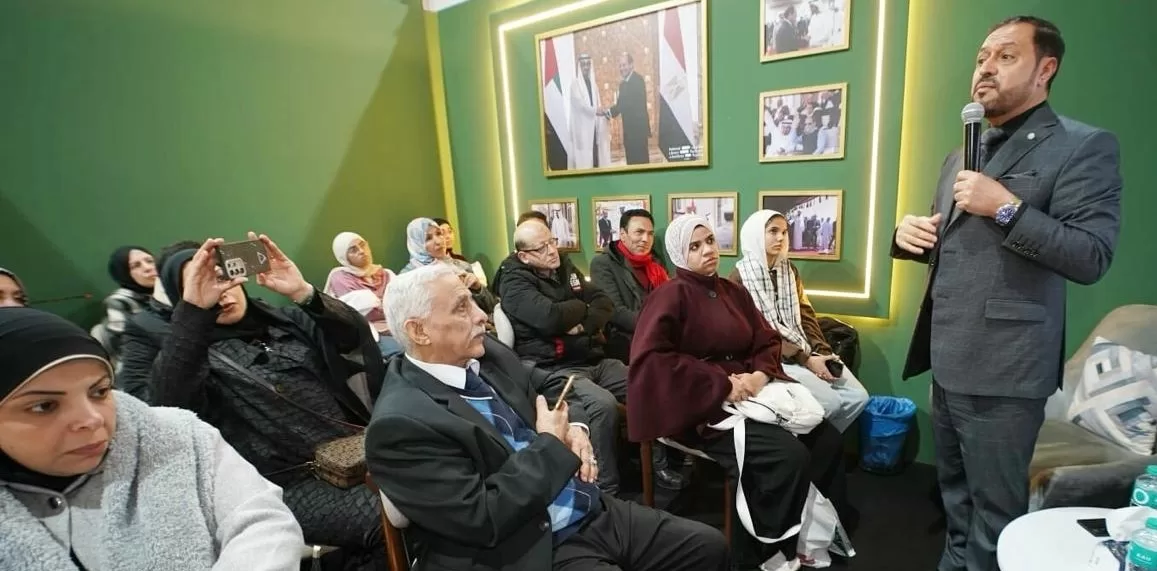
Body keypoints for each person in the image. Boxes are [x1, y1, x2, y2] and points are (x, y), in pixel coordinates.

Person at [891, 16, 1121, 571]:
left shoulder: (1082, 146)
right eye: (981, 57)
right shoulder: (959, 155)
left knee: (996, 517)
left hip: (1006, 372)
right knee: (954, 503)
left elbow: (1091, 255)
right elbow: (959, 248)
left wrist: (1007, 208)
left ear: (1046, 69)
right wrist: (908, 238)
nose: (985, 68)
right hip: (947, 358)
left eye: (1005, 56)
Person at [366, 264, 730, 571]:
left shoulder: (486, 354)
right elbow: (485, 517)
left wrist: (576, 428)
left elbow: (554, 384)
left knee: (709, 546)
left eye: (473, 302)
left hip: (584, 506)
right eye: (462, 308)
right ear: (419, 331)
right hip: (526, 547)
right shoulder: (400, 425)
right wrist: (552, 443)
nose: (481, 315)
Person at [118, 235, 388, 570]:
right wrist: (193, 317)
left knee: (436, 489)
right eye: (203, 282)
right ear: (182, 297)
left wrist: (303, 292)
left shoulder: (282, 320)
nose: (222, 291)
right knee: (393, 517)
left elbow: (353, 336)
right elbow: (167, 409)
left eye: (224, 275)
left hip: (357, 456)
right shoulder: (185, 353)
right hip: (285, 483)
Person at [0, 308, 304, 570]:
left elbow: (264, 524)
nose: (92, 419)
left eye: (100, 391)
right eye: (44, 406)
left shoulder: (181, 437)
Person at [628, 215, 850, 571]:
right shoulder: (669, 296)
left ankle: (808, 533)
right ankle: (766, 553)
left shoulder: (733, 292)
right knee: (787, 455)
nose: (707, 250)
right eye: (695, 246)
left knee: (828, 440)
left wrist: (760, 375)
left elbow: (767, 339)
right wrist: (721, 384)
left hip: (753, 393)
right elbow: (654, 361)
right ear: (679, 254)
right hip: (700, 407)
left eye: (710, 241)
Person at [495, 220, 629, 496]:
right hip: (553, 367)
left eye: (552, 241)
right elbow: (550, 318)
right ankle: (604, 491)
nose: (552, 251)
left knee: (643, 382)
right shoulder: (513, 281)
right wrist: (581, 305)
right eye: (542, 247)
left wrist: (581, 325)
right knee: (601, 405)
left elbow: (603, 301)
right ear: (524, 256)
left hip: (590, 356)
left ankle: (660, 464)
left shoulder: (563, 265)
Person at [731, 210, 869, 433]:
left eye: (784, 232)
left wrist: (821, 352)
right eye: (773, 231)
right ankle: (816, 446)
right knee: (831, 403)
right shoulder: (739, 278)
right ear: (755, 235)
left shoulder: (788, 269)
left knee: (858, 397)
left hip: (803, 348)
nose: (780, 238)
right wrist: (806, 359)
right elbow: (757, 334)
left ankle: (823, 445)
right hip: (774, 358)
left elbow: (805, 314)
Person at [588, 208, 686, 490]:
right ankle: (658, 462)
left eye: (649, 233)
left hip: (655, 335)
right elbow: (615, 311)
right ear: (622, 234)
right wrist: (659, 327)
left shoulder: (655, 263)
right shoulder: (603, 264)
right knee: (658, 378)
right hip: (623, 341)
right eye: (638, 232)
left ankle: (682, 446)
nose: (645, 239)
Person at [323, 231, 403, 359]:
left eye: (363, 245)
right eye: (353, 250)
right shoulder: (340, 278)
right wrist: (379, 302)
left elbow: (402, 302)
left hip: (397, 326)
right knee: (403, 351)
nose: (361, 251)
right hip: (368, 334)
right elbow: (357, 312)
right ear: (344, 257)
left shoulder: (385, 273)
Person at [400, 217, 497, 314]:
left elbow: (491, 308)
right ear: (417, 244)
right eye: (428, 238)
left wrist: (478, 288)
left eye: (439, 234)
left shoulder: (462, 267)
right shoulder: (407, 278)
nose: (438, 241)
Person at [101, 246, 157, 360]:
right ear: (124, 273)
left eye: (150, 261)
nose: (148, 268)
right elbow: (125, 349)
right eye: (136, 266)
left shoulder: (171, 290)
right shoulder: (118, 302)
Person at [602, 52, 650, 165]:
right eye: (620, 66)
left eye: (624, 65)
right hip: (629, 133)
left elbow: (625, 104)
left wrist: (608, 112)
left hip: (638, 133)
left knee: (641, 164)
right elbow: (621, 104)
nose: (622, 68)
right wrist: (607, 112)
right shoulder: (623, 85)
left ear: (631, 65)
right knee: (632, 164)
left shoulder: (638, 80)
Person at [569, 53, 611, 170]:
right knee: (585, 162)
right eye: (583, 64)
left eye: (588, 64)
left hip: (594, 129)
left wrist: (604, 113)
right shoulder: (575, 85)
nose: (586, 67)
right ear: (580, 66)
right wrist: (595, 111)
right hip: (583, 131)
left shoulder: (594, 85)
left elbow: (598, 104)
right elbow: (580, 106)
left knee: (595, 159)